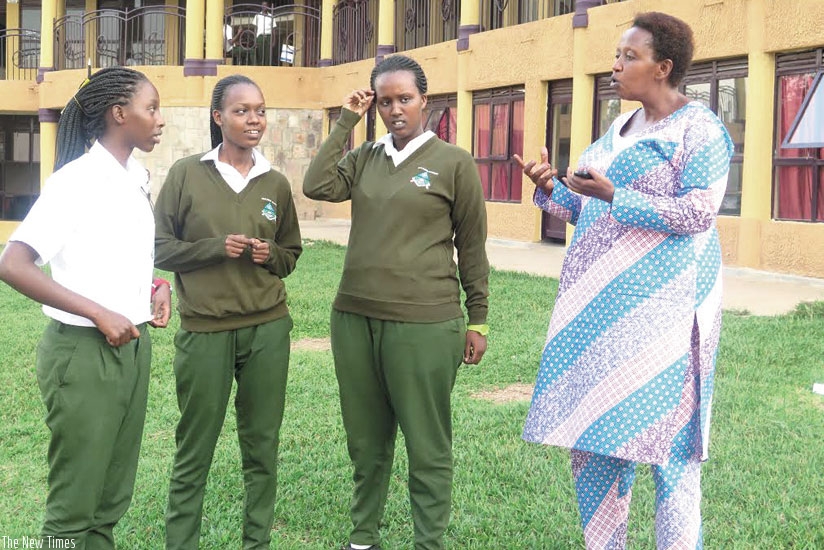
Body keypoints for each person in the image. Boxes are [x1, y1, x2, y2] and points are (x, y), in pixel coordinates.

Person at [517, 12, 733, 550]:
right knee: (594, 444)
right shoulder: (618, 128)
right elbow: (583, 210)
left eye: (628, 57)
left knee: (670, 455)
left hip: (666, 317)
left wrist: (617, 196)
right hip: (597, 316)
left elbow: (697, 213)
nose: (615, 66)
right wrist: (549, 189)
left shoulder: (700, 129)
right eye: (616, 54)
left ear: (663, 67)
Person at [303, 54, 490, 550]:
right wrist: (347, 118)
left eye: (404, 98)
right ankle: (363, 538)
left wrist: (480, 320)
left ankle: (427, 542)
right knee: (366, 442)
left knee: (427, 444)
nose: (395, 110)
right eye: (385, 102)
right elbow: (316, 184)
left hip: (426, 323)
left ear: (425, 100)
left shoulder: (454, 163)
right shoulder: (366, 156)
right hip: (354, 319)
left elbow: (471, 248)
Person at [0, 66, 170, 548]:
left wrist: (155, 286)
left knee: (111, 495)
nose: (160, 120)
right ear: (120, 114)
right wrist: (98, 312)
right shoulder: (75, 181)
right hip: (84, 352)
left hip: (133, 347)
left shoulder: (134, 178)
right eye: (151, 108)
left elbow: (111, 254)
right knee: (74, 506)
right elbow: (13, 264)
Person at [155, 74, 302, 550]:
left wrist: (268, 256)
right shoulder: (186, 174)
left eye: (260, 109)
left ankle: (255, 542)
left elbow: (290, 256)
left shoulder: (275, 183)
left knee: (262, 447)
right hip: (205, 332)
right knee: (194, 448)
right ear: (218, 118)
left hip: (267, 330)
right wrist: (215, 248)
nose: (254, 118)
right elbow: (159, 248)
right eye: (241, 111)